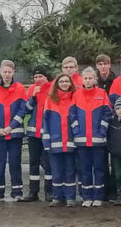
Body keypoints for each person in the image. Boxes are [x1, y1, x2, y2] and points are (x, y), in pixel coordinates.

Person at [70, 67, 113, 207]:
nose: (88, 80)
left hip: (98, 141)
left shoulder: (102, 94)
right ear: (82, 79)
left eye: (90, 78)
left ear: (95, 79)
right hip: (82, 141)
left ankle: (99, 197)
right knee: (84, 170)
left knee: (99, 169)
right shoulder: (76, 95)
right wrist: (76, 130)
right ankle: (86, 197)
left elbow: (107, 113)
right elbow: (72, 115)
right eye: (86, 78)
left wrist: (101, 131)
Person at [0, 60, 27, 202]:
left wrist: (11, 126)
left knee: (15, 162)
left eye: (9, 72)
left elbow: (23, 110)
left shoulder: (21, 89)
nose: (7, 75)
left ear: (13, 72)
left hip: (15, 134)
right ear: (0, 72)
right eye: (5, 72)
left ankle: (17, 193)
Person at [42, 73, 78, 207]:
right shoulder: (50, 100)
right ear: (57, 83)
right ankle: (58, 197)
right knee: (56, 171)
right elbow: (45, 122)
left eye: (66, 81)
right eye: (61, 81)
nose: (64, 83)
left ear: (70, 83)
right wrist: (47, 141)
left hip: (70, 142)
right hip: (55, 142)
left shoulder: (75, 98)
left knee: (70, 171)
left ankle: (70, 198)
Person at [24, 65, 53, 202]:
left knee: (48, 163)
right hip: (33, 133)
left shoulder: (52, 88)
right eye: (35, 77)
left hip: (47, 133)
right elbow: (27, 110)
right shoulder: (31, 89)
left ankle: (49, 191)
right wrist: (33, 97)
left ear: (46, 77)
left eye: (40, 76)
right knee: (33, 162)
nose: (38, 79)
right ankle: (33, 191)